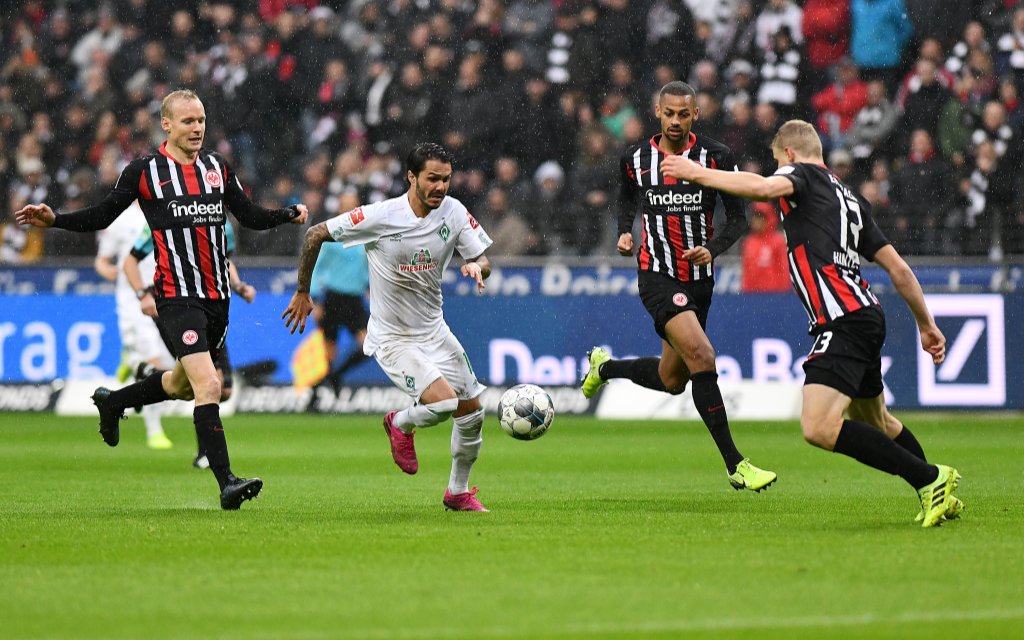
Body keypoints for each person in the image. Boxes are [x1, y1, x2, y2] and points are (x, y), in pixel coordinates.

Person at [660, 118, 963, 527]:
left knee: (818, 427)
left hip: (842, 318)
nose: (776, 170)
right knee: (877, 422)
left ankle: (930, 479)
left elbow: (765, 189)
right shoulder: (851, 199)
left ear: (787, 154)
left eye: (775, 161)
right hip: (866, 315)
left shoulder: (800, 174)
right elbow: (900, 270)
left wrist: (698, 173)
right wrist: (926, 324)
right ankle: (936, 495)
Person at [15, 89, 308, 510]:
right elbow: (102, 215)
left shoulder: (217, 168)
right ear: (166, 124)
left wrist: (285, 213)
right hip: (175, 296)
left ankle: (114, 401)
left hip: (216, 299)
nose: (197, 128)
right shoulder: (144, 172)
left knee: (180, 385)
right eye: (187, 121)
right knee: (211, 383)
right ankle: (227, 482)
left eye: (201, 120)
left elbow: (248, 215)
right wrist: (55, 220)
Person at [581, 81, 778, 493]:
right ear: (658, 112)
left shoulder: (716, 156)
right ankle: (736, 465)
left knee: (673, 380)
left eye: (683, 114)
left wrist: (713, 248)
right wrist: (623, 232)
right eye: (668, 113)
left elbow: (738, 219)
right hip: (657, 275)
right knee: (703, 355)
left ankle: (604, 367)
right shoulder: (636, 158)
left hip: (700, 280)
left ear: (695, 115)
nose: (675, 121)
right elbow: (625, 197)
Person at [283, 143, 494, 512]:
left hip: (435, 331)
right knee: (445, 403)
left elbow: (482, 257)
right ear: (411, 177)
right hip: (394, 338)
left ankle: (457, 492)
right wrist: (303, 291)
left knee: (473, 412)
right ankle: (400, 422)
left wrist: (478, 267)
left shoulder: (455, 212)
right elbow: (315, 233)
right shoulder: (381, 216)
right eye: (432, 178)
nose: (440, 186)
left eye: (446, 179)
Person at [123, 219, 253, 470]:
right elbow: (130, 261)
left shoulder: (222, 223)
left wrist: (238, 286)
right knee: (205, 379)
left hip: (210, 305)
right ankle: (204, 453)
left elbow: (223, 260)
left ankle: (148, 378)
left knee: (220, 389)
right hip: (174, 304)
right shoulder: (165, 216)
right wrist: (143, 294)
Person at [93, 199, 173, 450]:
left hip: (165, 296)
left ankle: (130, 360)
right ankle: (154, 431)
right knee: (156, 366)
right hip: (134, 300)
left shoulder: (167, 211)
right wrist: (112, 272)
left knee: (171, 367)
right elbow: (102, 260)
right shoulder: (121, 219)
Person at [309, 229, 371, 396]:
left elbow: (366, 271)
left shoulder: (365, 239)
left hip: (355, 301)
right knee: (329, 352)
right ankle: (315, 395)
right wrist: (316, 299)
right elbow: (317, 267)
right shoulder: (332, 240)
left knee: (369, 346)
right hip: (333, 299)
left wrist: (370, 288)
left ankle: (336, 375)